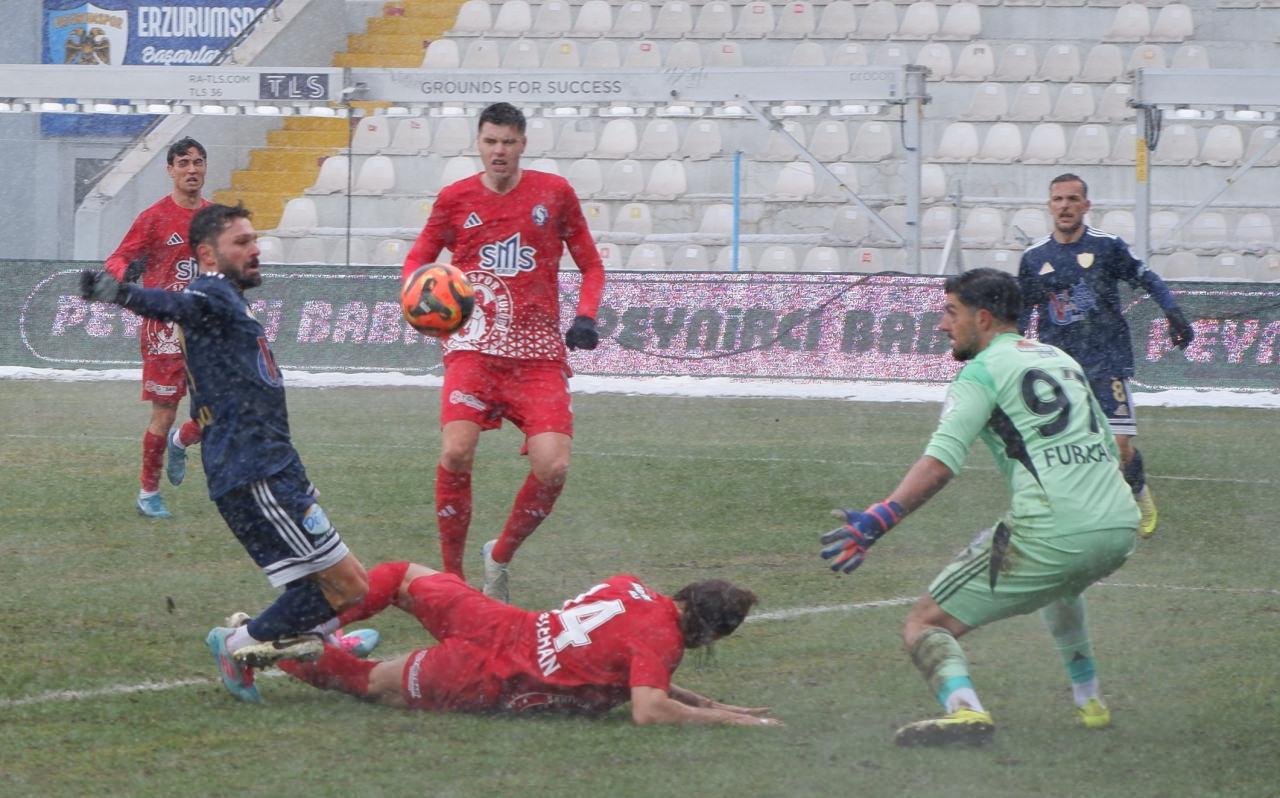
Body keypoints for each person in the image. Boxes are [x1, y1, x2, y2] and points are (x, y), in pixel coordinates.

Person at [819, 268, 1139, 747]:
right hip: (1119, 525)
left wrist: (880, 518)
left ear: (983, 318)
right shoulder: (1058, 357)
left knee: (923, 624)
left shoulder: (981, 371)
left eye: (951, 313)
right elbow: (1117, 451)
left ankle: (965, 710)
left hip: (1055, 530)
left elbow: (940, 465)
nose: (943, 325)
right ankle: (1088, 698)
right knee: (1064, 585)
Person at [79, 203, 372, 704]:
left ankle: (321, 635)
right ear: (207, 255)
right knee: (350, 587)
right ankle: (239, 642)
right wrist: (121, 293)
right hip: (255, 471)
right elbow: (176, 305)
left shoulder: (227, 298)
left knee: (321, 580)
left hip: (266, 463)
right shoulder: (209, 291)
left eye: (254, 239)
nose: (255, 248)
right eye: (241, 242)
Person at [401, 101, 606, 602]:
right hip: (473, 346)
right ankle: (453, 581)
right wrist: (420, 298)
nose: (499, 151)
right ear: (479, 142)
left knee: (553, 466)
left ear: (523, 144)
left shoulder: (554, 195)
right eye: (491, 141)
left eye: (508, 142)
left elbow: (592, 265)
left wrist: (585, 315)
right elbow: (417, 260)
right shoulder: (455, 199)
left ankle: (500, 554)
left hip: (537, 353)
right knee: (455, 450)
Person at [275, 559, 782, 727]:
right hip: (492, 675)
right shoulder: (660, 642)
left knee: (401, 576)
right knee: (368, 683)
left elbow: (637, 676)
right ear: (707, 631)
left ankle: (306, 625)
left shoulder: (633, 588)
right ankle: (271, 649)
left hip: (503, 624)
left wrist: (717, 702)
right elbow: (648, 707)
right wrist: (730, 720)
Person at [1017, 174, 1195, 538]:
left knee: (1119, 447)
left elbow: (1148, 278)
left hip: (1107, 360)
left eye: (1072, 199)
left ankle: (1138, 490)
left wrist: (1173, 312)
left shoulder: (1107, 247)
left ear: (1086, 205)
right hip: (1058, 367)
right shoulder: (1034, 257)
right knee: (1064, 448)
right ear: (1049, 205)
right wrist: (1014, 350)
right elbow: (1023, 312)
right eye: (1057, 199)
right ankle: (1085, 516)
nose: (1064, 205)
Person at [104, 137, 213, 519]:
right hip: (164, 328)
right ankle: (148, 493)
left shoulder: (216, 218)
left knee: (220, 408)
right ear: (170, 170)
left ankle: (181, 441)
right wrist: (125, 278)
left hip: (206, 329)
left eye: (198, 162)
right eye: (183, 163)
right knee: (164, 412)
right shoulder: (154, 218)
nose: (192, 169)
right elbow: (117, 258)